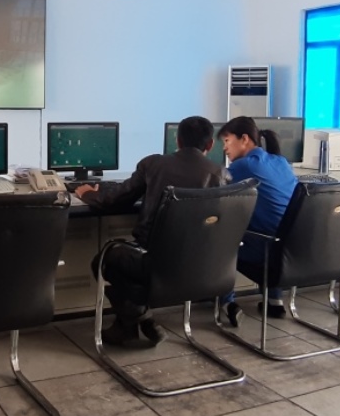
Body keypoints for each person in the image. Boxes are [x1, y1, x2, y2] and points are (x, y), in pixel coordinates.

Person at [75, 116, 226, 348]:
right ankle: (131, 325)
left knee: (105, 260)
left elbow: (114, 201)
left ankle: (139, 319)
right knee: (126, 261)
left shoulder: (154, 164)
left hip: (156, 264)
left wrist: (87, 193)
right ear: (210, 145)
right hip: (204, 267)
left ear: (177, 140)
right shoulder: (222, 176)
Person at [216, 116, 299, 326]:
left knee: (221, 240)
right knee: (269, 228)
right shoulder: (281, 161)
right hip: (293, 252)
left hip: (269, 252)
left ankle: (227, 303)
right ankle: (274, 301)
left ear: (244, 139)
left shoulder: (244, 166)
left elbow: (213, 189)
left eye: (227, 141)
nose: (224, 148)